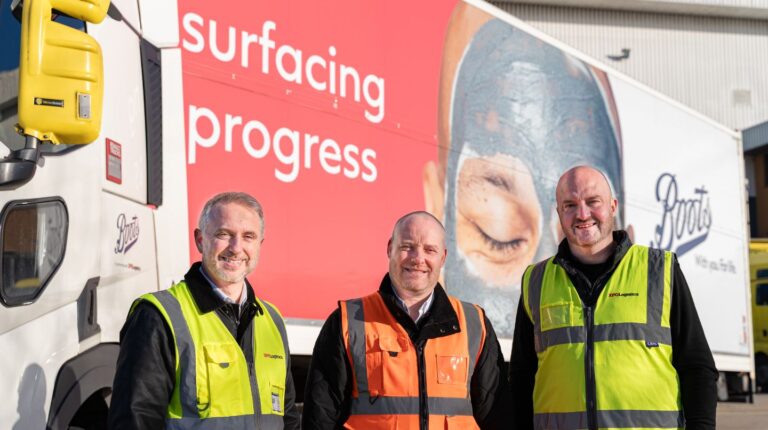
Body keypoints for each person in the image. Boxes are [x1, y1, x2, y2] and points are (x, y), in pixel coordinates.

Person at [424, 3, 624, 339]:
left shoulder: (657, 279)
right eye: (499, 235)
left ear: (619, 218)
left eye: (585, 227)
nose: (546, 274)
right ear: (436, 211)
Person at [509, 166, 718, 429]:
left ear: (612, 206)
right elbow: (521, 377)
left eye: (592, 202)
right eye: (570, 205)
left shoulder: (659, 270)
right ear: (559, 213)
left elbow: (696, 365)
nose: (583, 214)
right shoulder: (536, 281)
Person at [108, 192, 300, 429]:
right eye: (224, 234)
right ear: (200, 240)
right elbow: (135, 420)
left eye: (248, 236)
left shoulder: (272, 320)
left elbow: (288, 417)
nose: (236, 248)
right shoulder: (158, 316)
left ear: (259, 245)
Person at [302, 211, 509, 429]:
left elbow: (498, 417)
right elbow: (319, 418)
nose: (418, 258)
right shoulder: (346, 322)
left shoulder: (474, 325)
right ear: (390, 249)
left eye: (430, 250)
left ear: (443, 257)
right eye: (407, 247)